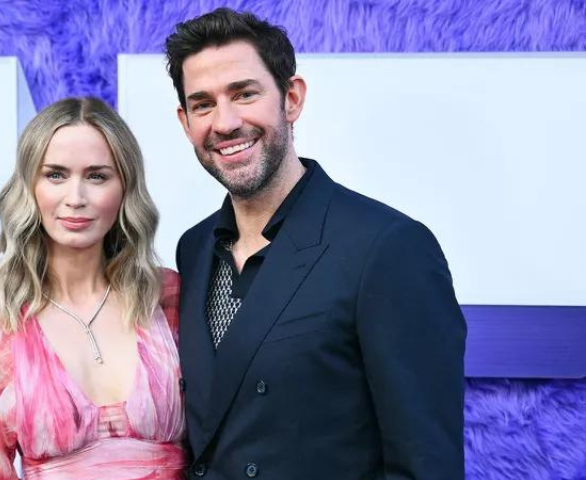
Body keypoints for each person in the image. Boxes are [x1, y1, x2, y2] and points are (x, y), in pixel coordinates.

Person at [165, 8, 467, 480]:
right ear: (185, 123)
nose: (224, 123)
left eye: (244, 94)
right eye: (203, 104)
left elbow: (425, 464)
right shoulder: (194, 248)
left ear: (291, 98)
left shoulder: (388, 249)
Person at [0, 97, 187, 480]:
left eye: (97, 176)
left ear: (125, 188)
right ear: (30, 187)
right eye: (55, 175)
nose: (75, 199)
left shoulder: (169, 298)